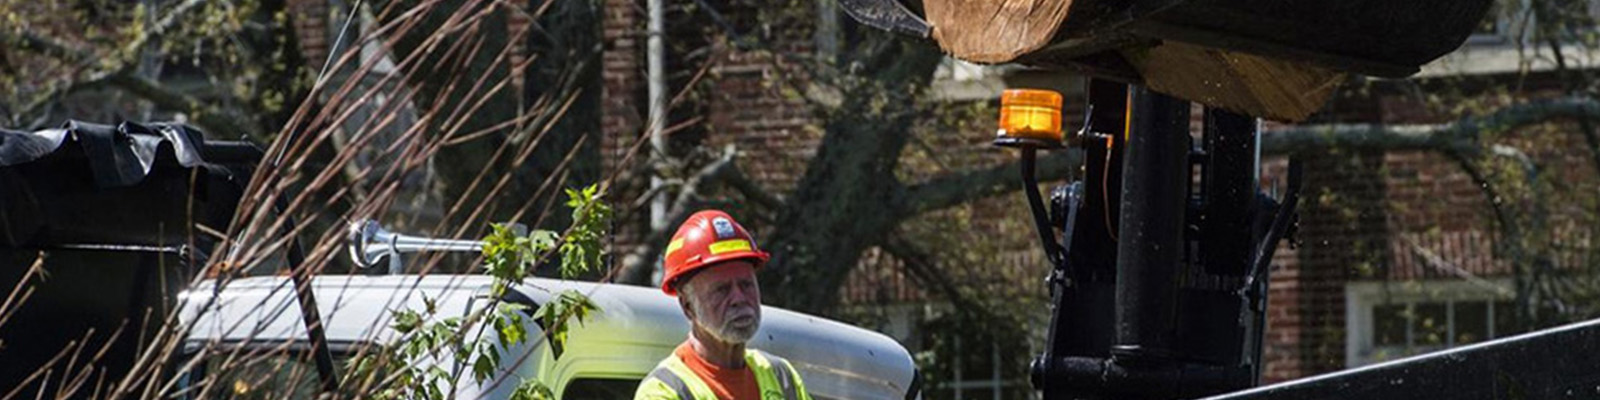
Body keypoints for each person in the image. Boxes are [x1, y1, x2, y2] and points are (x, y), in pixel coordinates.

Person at [634, 210, 812, 400]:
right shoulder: (663, 391)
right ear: (688, 306)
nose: (739, 298)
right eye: (722, 290)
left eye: (746, 285)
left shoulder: (781, 376)